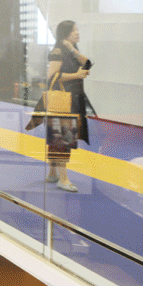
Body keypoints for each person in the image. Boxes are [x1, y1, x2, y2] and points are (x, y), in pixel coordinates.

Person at [43, 20, 91, 192]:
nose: (77, 33)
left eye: (77, 29)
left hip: (71, 99)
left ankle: (52, 173)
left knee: (58, 136)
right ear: (65, 33)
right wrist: (76, 75)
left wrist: (72, 48)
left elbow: (88, 63)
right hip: (63, 100)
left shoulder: (71, 51)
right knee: (63, 137)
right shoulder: (57, 51)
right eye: (73, 30)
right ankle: (63, 179)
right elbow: (52, 76)